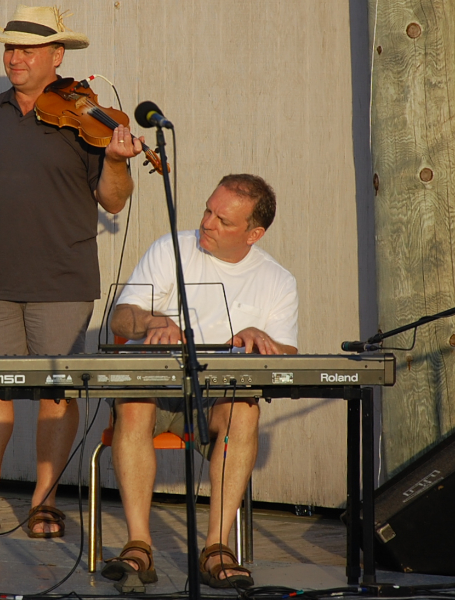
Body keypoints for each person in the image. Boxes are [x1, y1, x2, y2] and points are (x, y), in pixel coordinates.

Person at [0, 5, 143, 537]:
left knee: (55, 393)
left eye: (28, 49)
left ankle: (45, 501)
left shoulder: (90, 120)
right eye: (10, 47)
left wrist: (116, 160)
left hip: (62, 282)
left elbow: (114, 202)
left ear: (57, 56)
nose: (15, 57)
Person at [105, 174, 298, 589]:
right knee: (133, 403)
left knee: (244, 411)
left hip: (214, 401)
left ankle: (216, 548)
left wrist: (262, 341)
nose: (207, 223)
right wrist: (154, 320)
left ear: (254, 233)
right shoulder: (170, 248)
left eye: (223, 220)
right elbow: (120, 317)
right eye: (208, 210)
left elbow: (289, 356)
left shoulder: (277, 280)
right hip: (156, 392)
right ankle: (139, 545)